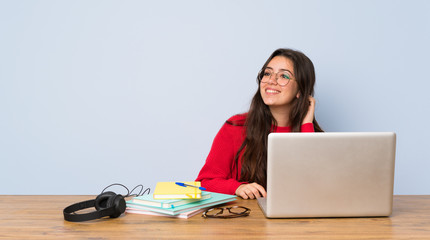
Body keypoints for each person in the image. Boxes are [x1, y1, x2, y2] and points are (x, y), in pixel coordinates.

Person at [195, 48, 323, 200]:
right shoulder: (236, 126)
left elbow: (319, 188)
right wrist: (237, 187)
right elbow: (204, 182)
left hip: (299, 221)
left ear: (300, 90)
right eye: (267, 73)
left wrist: (307, 125)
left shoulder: (312, 135)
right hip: (246, 220)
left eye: (284, 76)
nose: (271, 80)